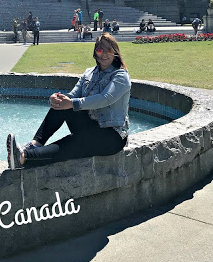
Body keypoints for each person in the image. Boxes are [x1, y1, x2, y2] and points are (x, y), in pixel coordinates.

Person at [7, 33, 131, 169]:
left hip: (111, 136)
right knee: (62, 104)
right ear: (95, 53)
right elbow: (72, 95)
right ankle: (34, 144)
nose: (104, 54)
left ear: (115, 52)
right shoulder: (89, 73)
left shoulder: (120, 75)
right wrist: (57, 100)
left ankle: (24, 157)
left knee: (73, 143)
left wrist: (72, 103)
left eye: (109, 50)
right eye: (100, 50)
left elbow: (105, 98)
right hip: (89, 126)